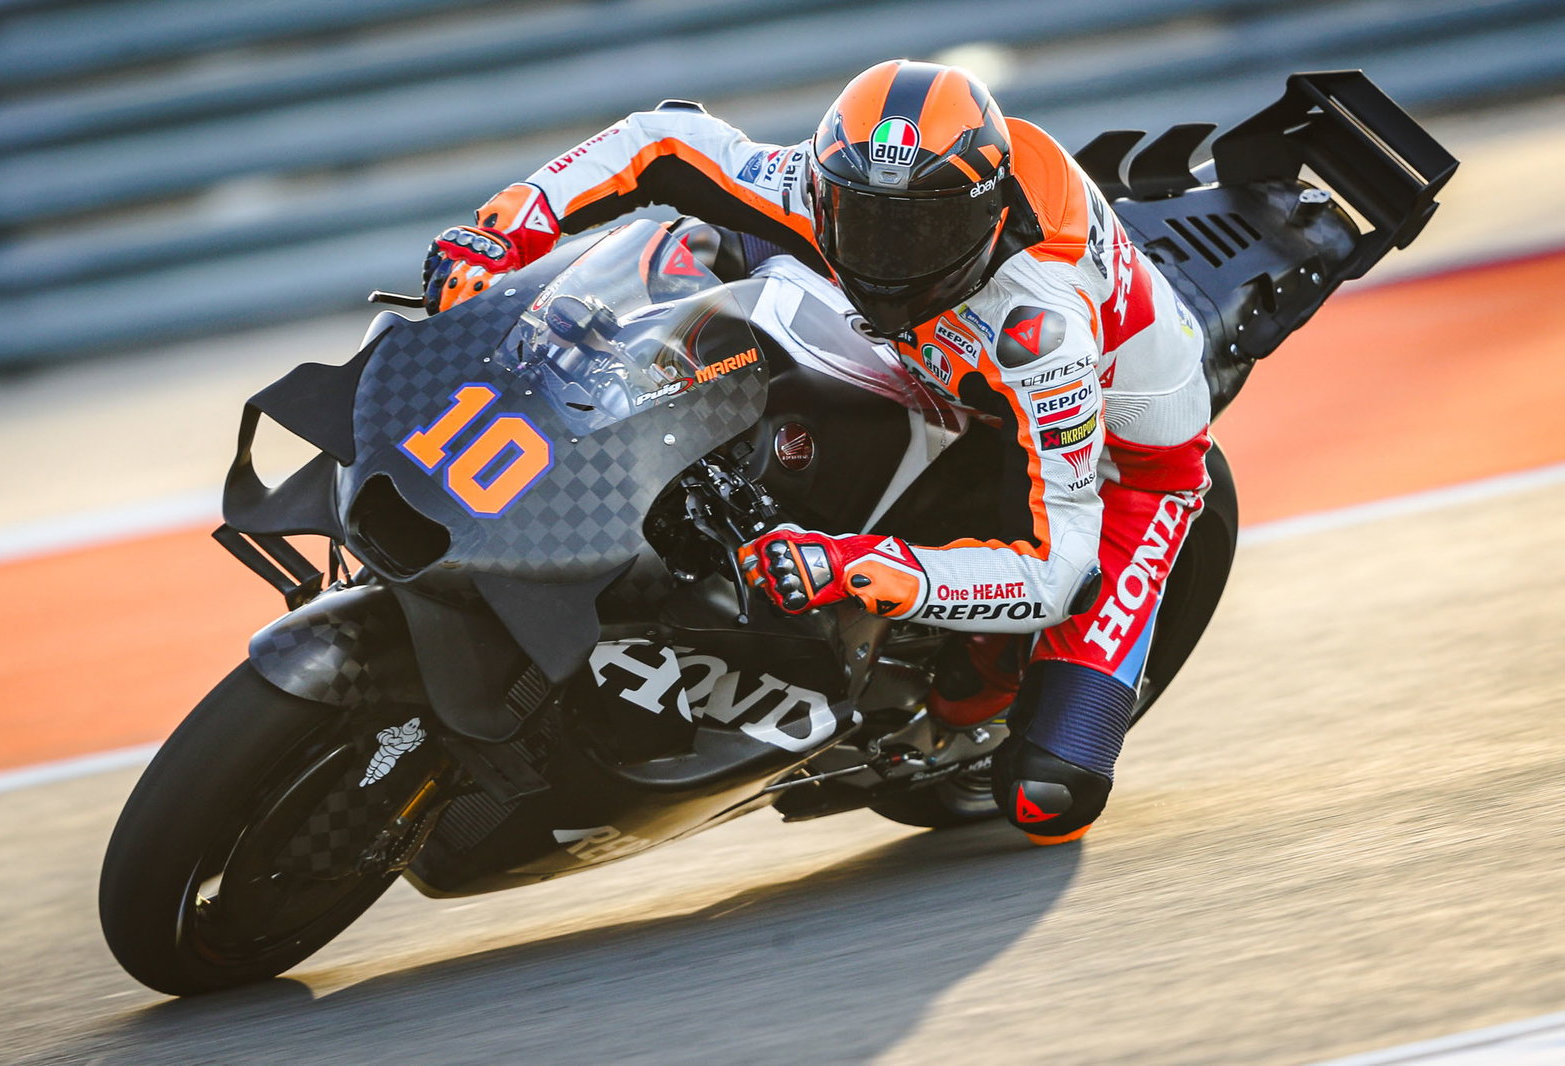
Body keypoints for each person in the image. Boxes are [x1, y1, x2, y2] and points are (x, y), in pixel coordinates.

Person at [422, 59, 1212, 845]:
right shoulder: (818, 184)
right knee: (699, 258)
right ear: (825, 184)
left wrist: (851, 568)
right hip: (932, 357)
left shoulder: (1041, 332)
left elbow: (1058, 572)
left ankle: (976, 695)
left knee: (1050, 795)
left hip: (1119, 460)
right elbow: (662, 140)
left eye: (922, 232)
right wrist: (505, 230)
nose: (888, 256)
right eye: (865, 222)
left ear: (986, 216)